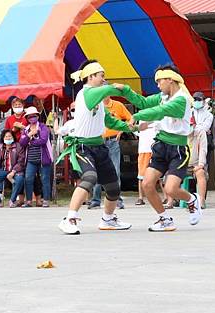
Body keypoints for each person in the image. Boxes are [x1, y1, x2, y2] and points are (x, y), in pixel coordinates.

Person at [114, 64, 203, 232]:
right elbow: (144, 102)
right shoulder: (163, 96)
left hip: (178, 149)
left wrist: (137, 116)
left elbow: (159, 112)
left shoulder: (182, 99)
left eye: (159, 81)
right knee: (147, 184)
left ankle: (192, 200)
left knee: (171, 189)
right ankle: (164, 219)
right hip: (161, 145)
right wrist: (125, 90)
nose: (157, 85)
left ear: (170, 80)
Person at [56, 59, 134, 234]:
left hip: (100, 147)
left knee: (113, 187)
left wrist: (130, 126)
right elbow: (108, 89)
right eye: (101, 76)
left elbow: (108, 120)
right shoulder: (87, 94)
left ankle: (108, 219)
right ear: (90, 77)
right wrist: (122, 88)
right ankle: (69, 218)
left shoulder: (98, 99)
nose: (104, 79)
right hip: (84, 147)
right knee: (89, 178)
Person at [88, 96, 132, 210]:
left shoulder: (118, 105)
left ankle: (117, 200)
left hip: (113, 141)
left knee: (115, 170)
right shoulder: (97, 106)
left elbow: (130, 118)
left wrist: (122, 131)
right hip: (99, 141)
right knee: (98, 171)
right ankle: (96, 200)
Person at [19, 106, 53, 208]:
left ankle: (46, 200)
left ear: (38, 116)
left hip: (44, 159)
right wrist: (30, 134)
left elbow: (43, 140)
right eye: (30, 117)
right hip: (31, 159)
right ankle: (28, 201)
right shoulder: (26, 129)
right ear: (27, 118)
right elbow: (22, 143)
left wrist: (31, 140)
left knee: (45, 179)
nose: (32, 118)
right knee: (28, 179)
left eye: (34, 116)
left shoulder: (43, 127)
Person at [0, 130, 26, 208]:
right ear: (3, 138)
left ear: (13, 137)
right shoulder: (0, 147)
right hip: (4, 169)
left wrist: (13, 172)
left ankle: (12, 200)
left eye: (10, 136)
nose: (8, 138)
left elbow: (21, 161)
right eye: (6, 136)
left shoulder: (18, 146)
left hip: (16, 170)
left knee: (19, 179)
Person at [135, 125, 159, 205]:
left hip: (155, 149)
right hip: (143, 150)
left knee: (158, 175)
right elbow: (134, 129)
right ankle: (140, 198)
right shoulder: (141, 118)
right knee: (141, 175)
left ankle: (165, 198)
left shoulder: (157, 118)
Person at [192, 91, 214, 169]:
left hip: (204, 142)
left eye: (199, 99)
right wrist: (199, 126)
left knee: (203, 166)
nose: (196, 101)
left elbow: (205, 128)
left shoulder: (209, 115)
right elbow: (185, 127)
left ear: (204, 101)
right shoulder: (188, 112)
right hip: (190, 142)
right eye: (194, 99)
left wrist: (194, 127)